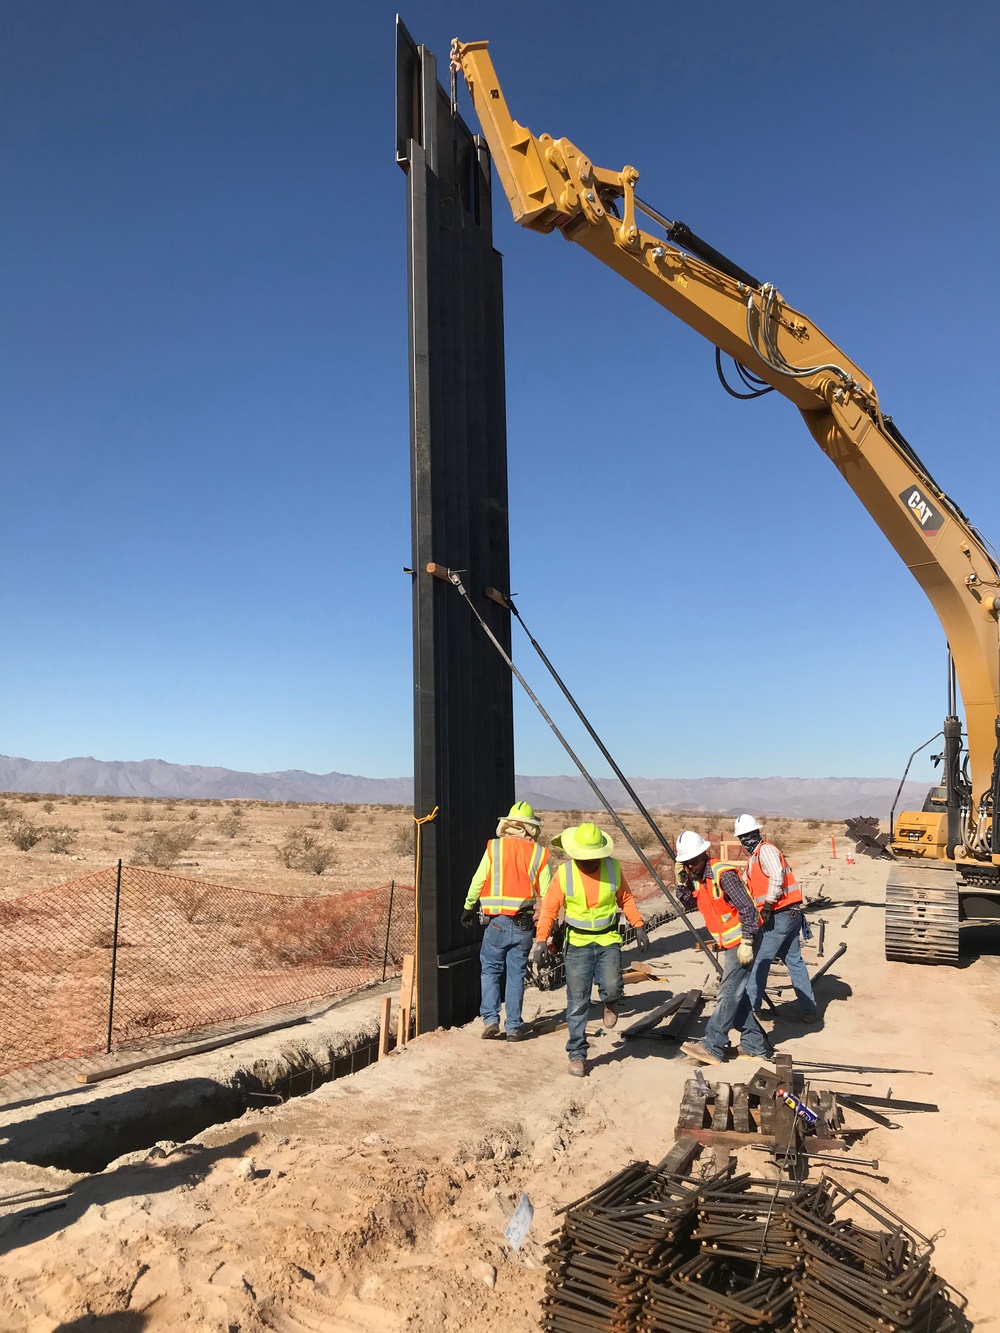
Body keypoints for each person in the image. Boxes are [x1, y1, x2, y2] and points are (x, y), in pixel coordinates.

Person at [531, 822, 649, 1078]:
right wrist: (541, 939)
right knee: (577, 1002)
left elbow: (626, 898)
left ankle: (611, 1002)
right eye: (584, 857)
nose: (588, 861)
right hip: (577, 945)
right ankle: (577, 1054)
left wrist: (638, 926)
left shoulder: (613, 868)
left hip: (607, 940)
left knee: (613, 985)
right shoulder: (564, 873)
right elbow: (550, 908)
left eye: (592, 856)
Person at [673, 830, 772, 1064]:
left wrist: (747, 941)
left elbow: (748, 909)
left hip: (743, 940)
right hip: (730, 942)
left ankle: (713, 1045)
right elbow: (690, 904)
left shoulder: (723, 875)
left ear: (704, 854)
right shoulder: (698, 879)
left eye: (693, 862)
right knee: (737, 995)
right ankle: (754, 1045)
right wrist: (681, 884)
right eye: (686, 863)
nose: (690, 867)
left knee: (727, 992)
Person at [462, 801, 551, 1041]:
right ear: (530, 827)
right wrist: (547, 923)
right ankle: (513, 1027)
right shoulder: (539, 853)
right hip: (524, 925)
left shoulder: (494, 848)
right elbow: (548, 893)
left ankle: (491, 1020)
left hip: (497, 923)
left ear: (509, 824)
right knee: (516, 975)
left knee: (490, 970)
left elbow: (478, 880)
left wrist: (468, 906)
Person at [734, 814, 817, 1023]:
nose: (745, 841)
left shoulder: (765, 851)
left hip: (779, 914)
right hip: (788, 914)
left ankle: (752, 1011)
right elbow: (746, 885)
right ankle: (810, 1010)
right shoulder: (753, 858)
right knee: (794, 961)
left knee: (760, 961)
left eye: (747, 836)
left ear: (756, 834)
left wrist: (767, 906)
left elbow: (777, 877)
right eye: (742, 837)